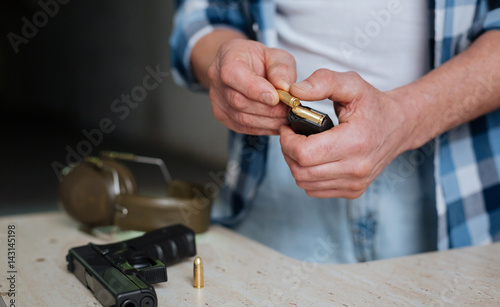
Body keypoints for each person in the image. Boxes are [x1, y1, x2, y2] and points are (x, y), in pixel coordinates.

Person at [170, 0, 500, 263]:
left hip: (453, 182)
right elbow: (202, 14)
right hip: (272, 173)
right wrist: (224, 61)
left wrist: (405, 116)